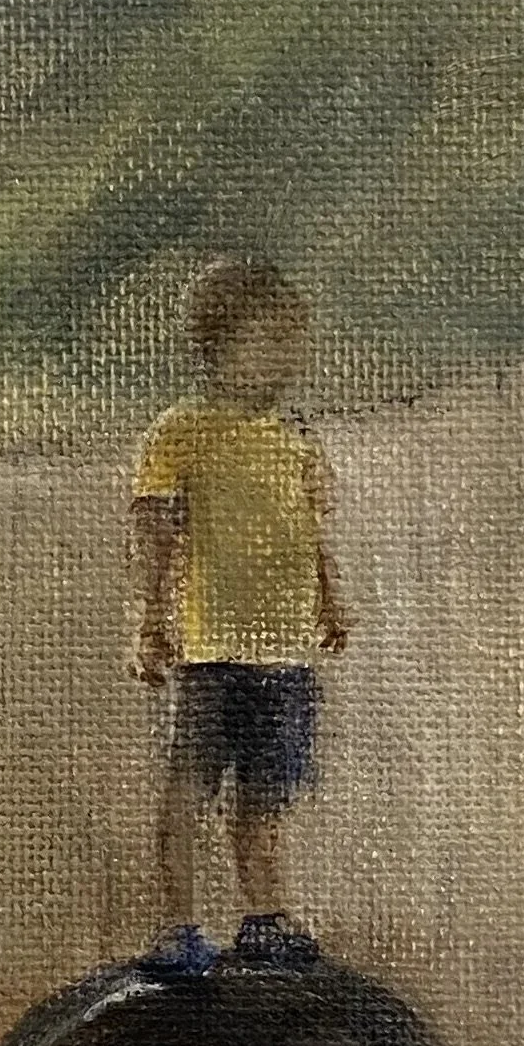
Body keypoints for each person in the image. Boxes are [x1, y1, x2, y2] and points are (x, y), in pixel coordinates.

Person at [129, 257, 348, 972]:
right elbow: (157, 527)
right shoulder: (181, 430)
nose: (288, 357)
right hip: (213, 650)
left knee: (266, 798)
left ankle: (263, 917)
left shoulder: (297, 437)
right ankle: (180, 927)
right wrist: (152, 618)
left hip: (286, 652)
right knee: (190, 789)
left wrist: (330, 597)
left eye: (293, 341)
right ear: (219, 342)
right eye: (271, 340)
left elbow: (309, 531)